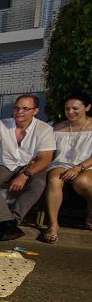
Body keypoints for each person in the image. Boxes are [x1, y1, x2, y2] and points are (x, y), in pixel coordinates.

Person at [0, 94, 56, 241]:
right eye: (17, 108)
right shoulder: (1, 124)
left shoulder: (44, 129)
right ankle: (6, 221)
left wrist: (25, 174)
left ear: (35, 111)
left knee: (39, 184)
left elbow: (45, 159)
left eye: (25, 108)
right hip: (5, 164)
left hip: (31, 165)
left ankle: (13, 220)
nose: (19, 111)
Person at [40, 94, 92, 243]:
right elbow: (49, 151)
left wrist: (78, 168)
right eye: (67, 109)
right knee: (55, 179)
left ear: (87, 107)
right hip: (62, 163)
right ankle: (53, 225)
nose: (70, 112)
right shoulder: (58, 127)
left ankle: (90, 209)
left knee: (83, 182)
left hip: (87, 165)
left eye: (75, 108)